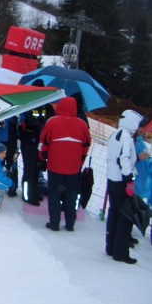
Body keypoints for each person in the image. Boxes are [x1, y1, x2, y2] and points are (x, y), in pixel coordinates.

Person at [38, 97, 91, 232]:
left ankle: (54, 223)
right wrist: (80, 161)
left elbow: (43, 143)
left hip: (55, 165)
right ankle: (70, 224)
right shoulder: (82, 125)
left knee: (54, 194)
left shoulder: (52, 122)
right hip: (73, 167)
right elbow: (86, 145)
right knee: (71, 194)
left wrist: (43, 159)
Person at [105, 109, 143, 264]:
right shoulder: (126, 137)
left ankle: (111, 246)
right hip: (121, 181)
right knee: (125, 216)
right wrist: (129, 179)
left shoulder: (115, 134)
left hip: (112, 179)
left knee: (114, 212)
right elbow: (124, 158)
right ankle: (120, 252)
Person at [18, 79, 54, 206]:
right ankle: (27, 195)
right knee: (29, 168)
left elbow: (51, 120)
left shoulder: (47, 106)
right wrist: (39, 126)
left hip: (40, 141)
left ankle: (32, 192)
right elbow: (26, 119)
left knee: (36, 168)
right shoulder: (28, 103)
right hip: (29, 139)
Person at [0, 116, 19, 197]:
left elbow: (22, 118)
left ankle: (12, 187)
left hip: (11, 139)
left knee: (12, 164)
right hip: (0, 138)